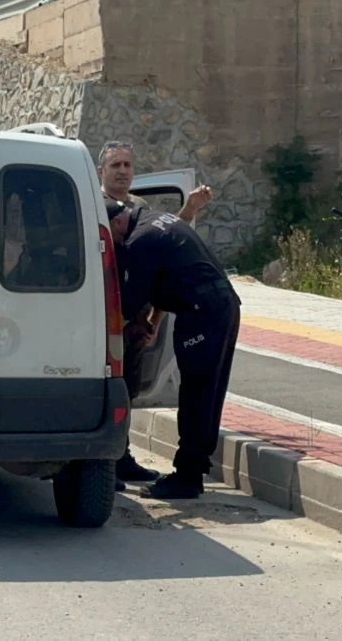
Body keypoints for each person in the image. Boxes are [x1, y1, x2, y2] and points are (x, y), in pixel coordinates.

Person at [96, 140, 214, 490]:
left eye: (127, 165)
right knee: (106, 387)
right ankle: (103, 460)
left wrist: (189, 209)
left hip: (137, 317)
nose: (122, 171)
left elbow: (164, 240)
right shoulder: (95, 206)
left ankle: (121, 456)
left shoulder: (140, 206)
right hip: (109, 315)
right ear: (101, 171)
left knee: (128, 390)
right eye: (115, 165)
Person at [113, 199, 241, 500]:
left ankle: (187, 477)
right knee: (208, 392)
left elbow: (130, 302)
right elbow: (164, 277)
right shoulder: (157, 219)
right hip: (221, 307)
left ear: (118, 221)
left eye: (111, 234)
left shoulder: (139, 239)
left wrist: (116, 331)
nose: (115, 242)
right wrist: (151, 320)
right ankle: (193, 470)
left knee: (196, 394)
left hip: (201, 312)